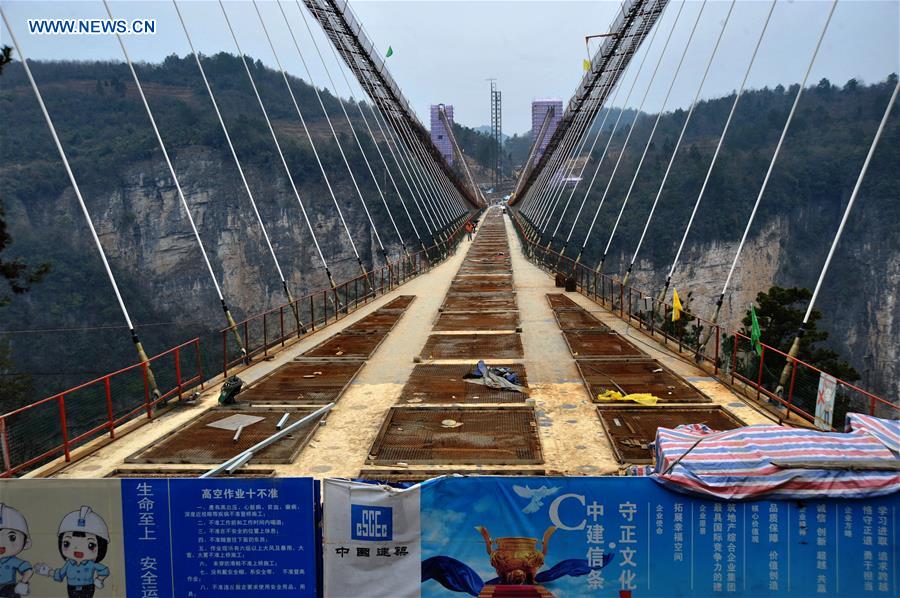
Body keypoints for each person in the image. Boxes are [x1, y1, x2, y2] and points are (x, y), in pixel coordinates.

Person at [35, 506, 110, 598]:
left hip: (88, 588)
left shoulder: (91, 564)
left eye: (90, 545)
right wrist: (48, 571)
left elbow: (104, 570)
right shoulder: (68, 565)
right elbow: (60, 574)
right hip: (71, 588)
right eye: (67, 543)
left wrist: (99, 579)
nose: (77, 548)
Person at [0, 504, 33, 597]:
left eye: (12, 537)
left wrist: (23, 583)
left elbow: (28, 570)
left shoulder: (13, 561)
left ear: (26, 543)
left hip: (8, 588)